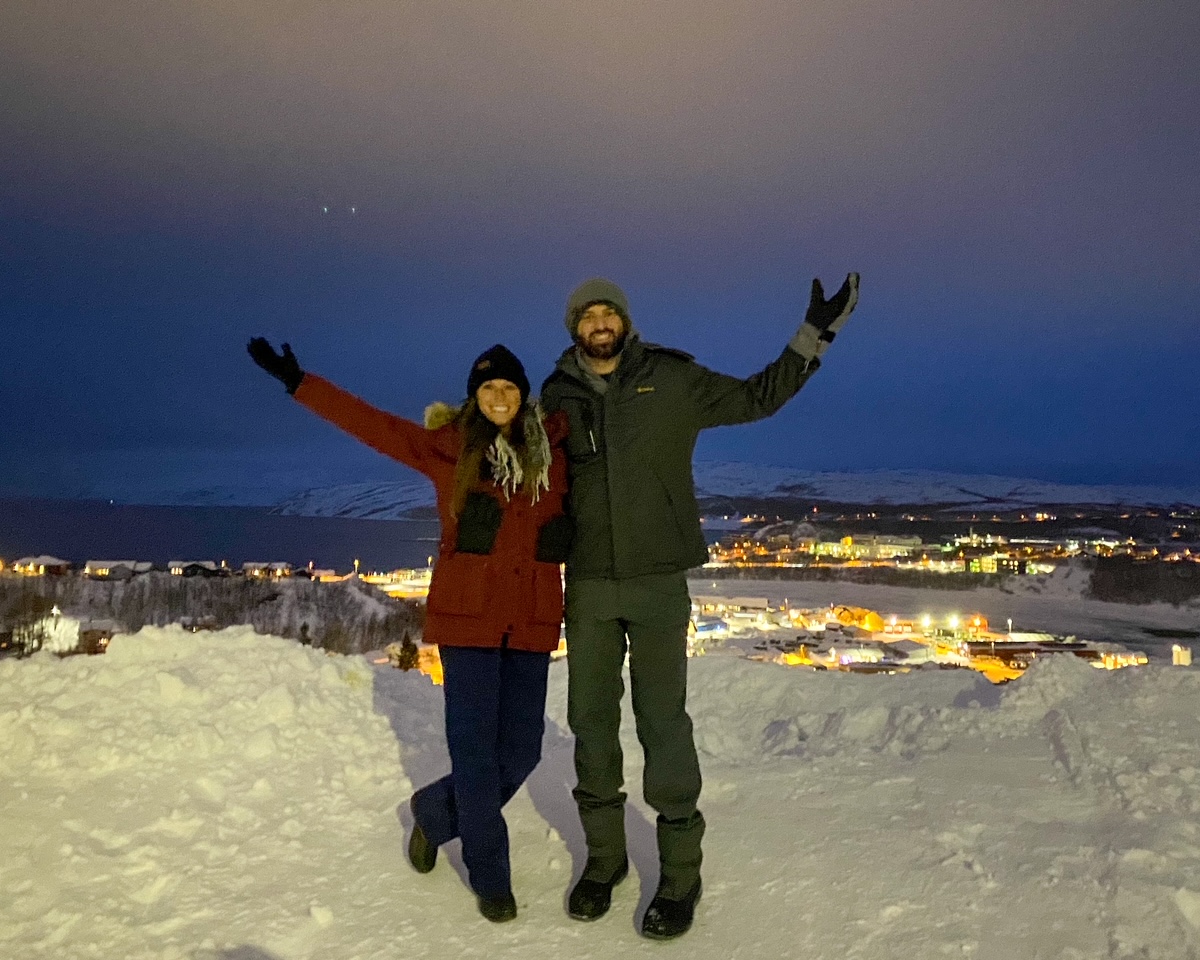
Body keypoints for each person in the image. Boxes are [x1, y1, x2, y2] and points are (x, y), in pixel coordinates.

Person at [539, 273, 860, 939]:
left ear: (624, 321)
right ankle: (605, 862)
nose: (599, 322)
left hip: (658, 579)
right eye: (587, 315)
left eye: (608, 312)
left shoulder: (673, 379)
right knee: (589, 723)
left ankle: (680, 875)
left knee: (662, 723)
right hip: (591, 582)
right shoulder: (556, 392)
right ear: (575, 329)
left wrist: (814, 335)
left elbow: (757, 398)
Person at [247, 337, 572, 923]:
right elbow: (373, 426)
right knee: (476, 756)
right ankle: (489, 873)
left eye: (509, 387)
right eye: (488, 388)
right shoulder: (447, 450)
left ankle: (434, 813)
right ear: (475, 398)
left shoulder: (553, 457)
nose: (499, 396)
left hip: (530, 622)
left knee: (520, 751)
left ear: (524, 398)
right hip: (468, 622)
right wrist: (301, 384)